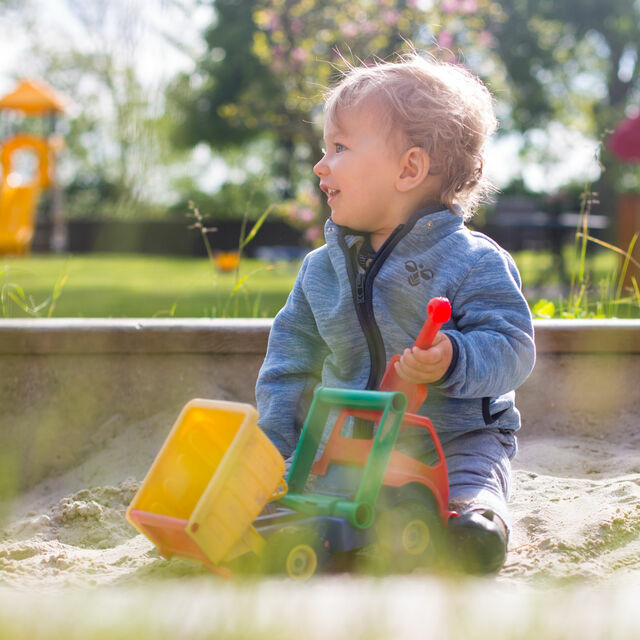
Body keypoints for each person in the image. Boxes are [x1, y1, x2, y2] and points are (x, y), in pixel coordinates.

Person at [255, 53, 536, 575]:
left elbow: (514, 349)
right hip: (349, 439)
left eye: (339, 147)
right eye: (325, 149)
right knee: (294, 499)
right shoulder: (322, 270)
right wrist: (279, 448)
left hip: (454, 437)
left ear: (409, 168)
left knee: (472, 485)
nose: (320, 165)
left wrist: (454, 357)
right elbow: (289, 362)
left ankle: (478, 525)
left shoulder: (474, 261)